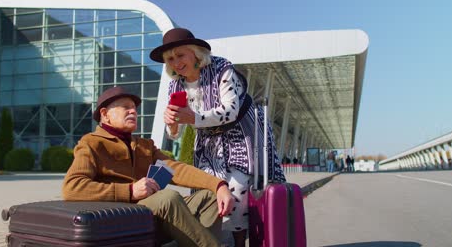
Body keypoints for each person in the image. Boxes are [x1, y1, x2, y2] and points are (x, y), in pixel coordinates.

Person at [150, 27, 286, 247]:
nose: (175, 63)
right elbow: (174, 135)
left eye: (180, 55)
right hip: (208, 141)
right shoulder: (176, 84)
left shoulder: (223, 69)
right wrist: (172, 123)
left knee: (237, 190)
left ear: (196, 53)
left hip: (242, 134)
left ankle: (240, 243)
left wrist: (193, 117)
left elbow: (230, 111)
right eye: (170, 59)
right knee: (207, 189)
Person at [62, 86, 236, 247]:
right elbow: (72, 187)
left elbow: (175, 169)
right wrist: (129, 191)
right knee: (167, 198)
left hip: (149, 213)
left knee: (209, 197)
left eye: (135, 108)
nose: (133, 111)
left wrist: (218, 185)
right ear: (105, 114)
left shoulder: (144, 145)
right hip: (120, 216)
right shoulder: (91, 143)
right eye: (125, 107)